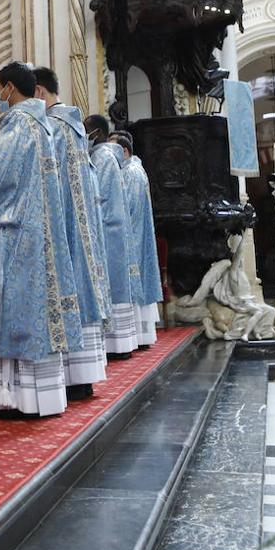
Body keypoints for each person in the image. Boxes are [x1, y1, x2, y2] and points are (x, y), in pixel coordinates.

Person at [0, 62, 84, 419]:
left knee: (15, 314)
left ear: (9, 89)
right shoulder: (45, 127)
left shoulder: (18, 128)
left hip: (14, 237)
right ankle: (37, 396)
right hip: (40, 233)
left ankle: (14, 399)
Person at [33, 66, 111, 401]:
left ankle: (71, 376)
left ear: (38, 92)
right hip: (81, 228)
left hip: (61, 224)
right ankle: (82, 374)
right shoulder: (76, 125)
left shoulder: (52, 126)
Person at [84, 114, 139, 359]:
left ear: (94, 133)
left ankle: (118, 345)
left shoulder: (103, 158)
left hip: (107, 229)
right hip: (112, 228)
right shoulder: (107, 157)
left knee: (113, 287)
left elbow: (100, 198)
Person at [112, 132, 162, 347]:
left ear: (124, 151)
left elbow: (125, 209)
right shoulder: (135, 170)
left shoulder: (131, 172)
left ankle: (137, 337)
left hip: (131, 239)